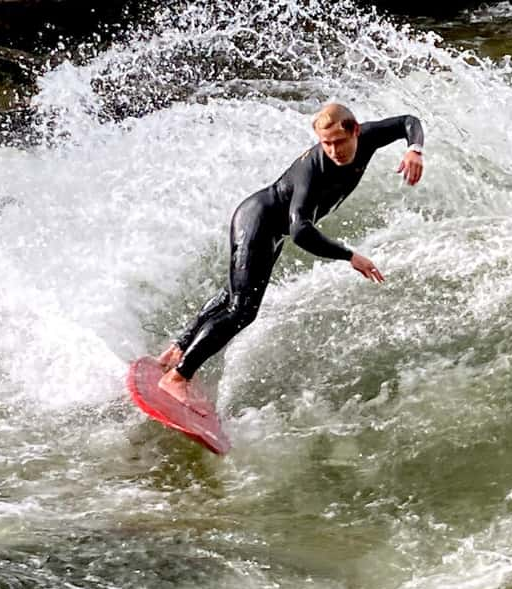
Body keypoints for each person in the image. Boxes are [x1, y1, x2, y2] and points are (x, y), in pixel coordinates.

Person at [156, 103, 425, 403]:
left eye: (339, 142)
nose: (334, 151)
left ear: (356, 131)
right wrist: (350, 256)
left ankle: (175, 351)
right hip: (257, 222)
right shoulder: (313, 172)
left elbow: (406, 121)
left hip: (269, 228)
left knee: (232, 295)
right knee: (242, 310)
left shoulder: (369, 136)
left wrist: (414, 149)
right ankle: (178, 376)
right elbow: (301, 231)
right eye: (327, 143)